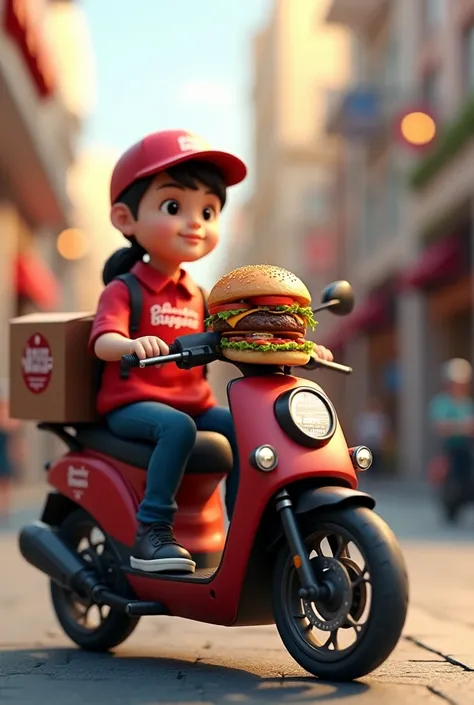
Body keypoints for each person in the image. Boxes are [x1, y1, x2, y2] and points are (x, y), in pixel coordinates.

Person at [89, 129, 334, 574]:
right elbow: (103, 341)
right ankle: (152, 533)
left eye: (208, 210)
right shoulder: (125, 290)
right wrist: (130, 344)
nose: (195, 221)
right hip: (133, 404)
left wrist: (295, 345)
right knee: (177, 428)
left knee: (251, 423)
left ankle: (247, 527)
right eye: (173, 207)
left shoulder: (202, 296)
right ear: (126, 218)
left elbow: (237, 342)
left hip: (193, 403)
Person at [429, 358, 474, 520]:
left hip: (467, 448)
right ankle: (451, 508)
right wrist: (462, 427)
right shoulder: (442, 402)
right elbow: (440, 426)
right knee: (452, 482)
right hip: (449, 449)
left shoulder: (467, 403)